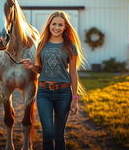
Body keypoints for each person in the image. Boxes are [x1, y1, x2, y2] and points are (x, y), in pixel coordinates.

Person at [21, 11, 85, 150]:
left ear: (65, 27)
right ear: (49, 25)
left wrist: (75, 98)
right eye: (54, 24)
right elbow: (41, 69)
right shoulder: (42, 44)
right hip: (44, 93)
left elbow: (73, 74)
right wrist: (32, 66)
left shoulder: (70, 46)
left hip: (64, 94)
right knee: (48, 133)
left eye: (60, 25)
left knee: (59, 135)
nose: (56, 27)